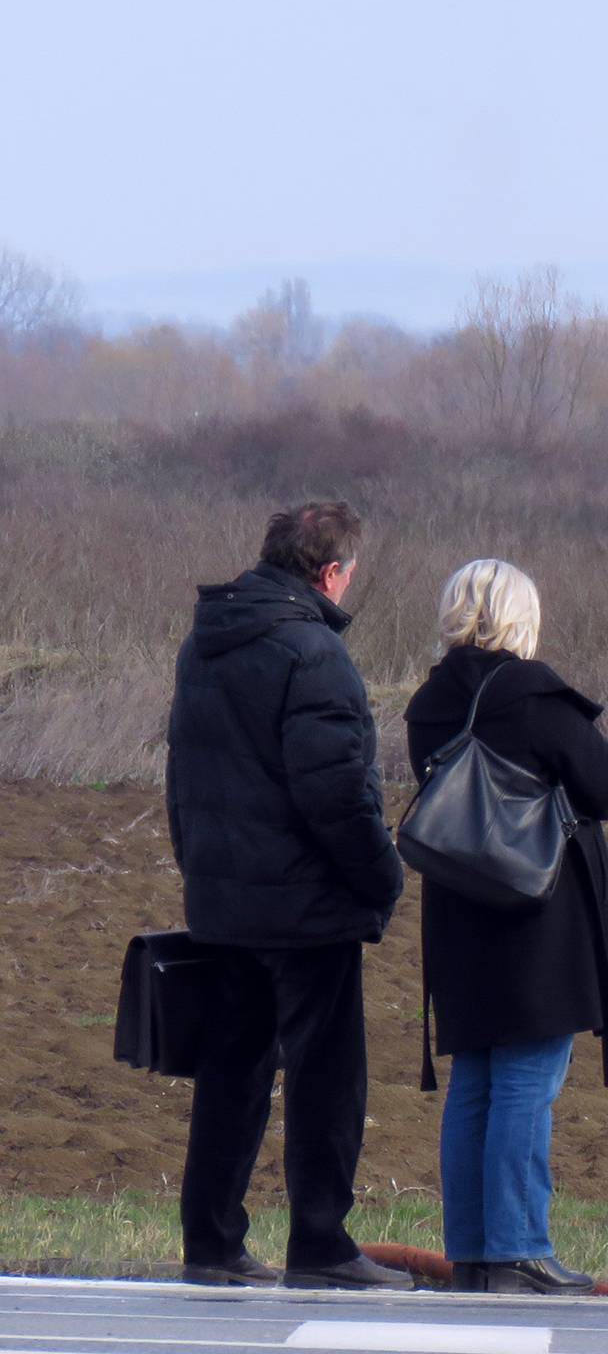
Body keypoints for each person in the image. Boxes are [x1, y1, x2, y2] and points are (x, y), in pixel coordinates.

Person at [165, 500, 408, 1289]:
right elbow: (335, 795)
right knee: (325, 1073)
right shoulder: (315, 654)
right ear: (331, 573)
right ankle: (320, 1242)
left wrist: (197, 863)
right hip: (307, 908)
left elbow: (183, 774)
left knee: (231, 1068)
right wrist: (383, 875)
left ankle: (211, 1239)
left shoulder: (204, 642)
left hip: (223, 895)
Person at [402, 560, 608, 1296]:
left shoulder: (428, 704)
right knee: (529, 1083)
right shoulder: (535, 698)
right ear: (520, 618)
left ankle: (471, 1251)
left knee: (474, 1081)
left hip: (460, 914)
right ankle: (519, 1247)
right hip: (537, 920)